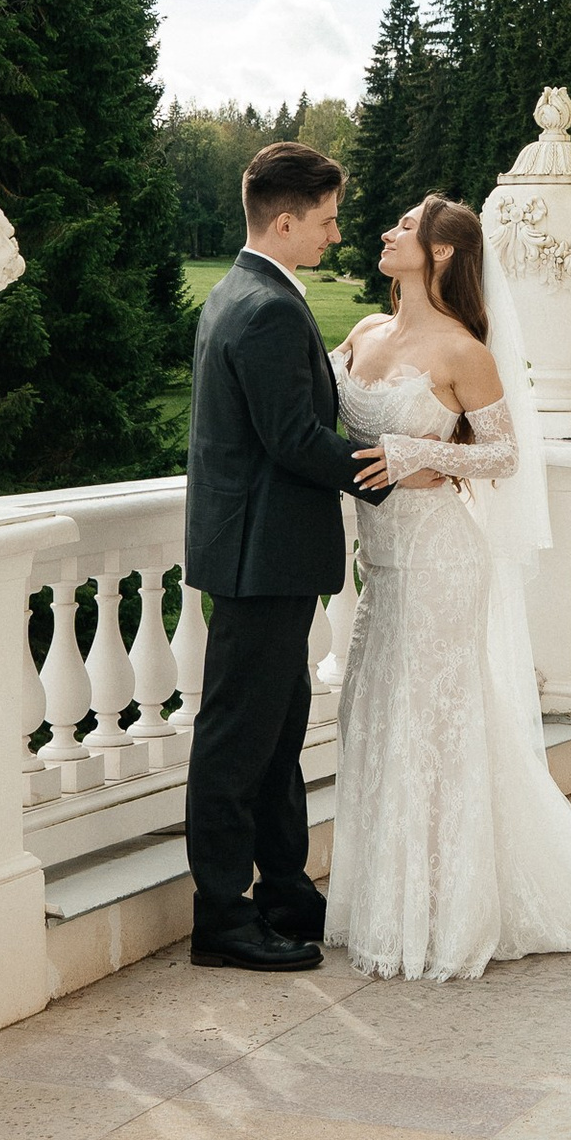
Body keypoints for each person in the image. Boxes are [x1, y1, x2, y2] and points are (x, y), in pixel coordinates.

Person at [328, 193, 571, 982]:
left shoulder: (462, 351)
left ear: (442, 253)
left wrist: (423, 453)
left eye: (406, 227)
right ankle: (386, 901)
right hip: (379, 562)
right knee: (377, 714)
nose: (388, 232)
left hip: (443, 558)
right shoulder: (365, 332)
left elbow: (506, 456)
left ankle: (448, 909)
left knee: (435, 724)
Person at [181, 139, 390, 972]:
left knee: (276, 729)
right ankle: (221, 914)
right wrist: (389, 472)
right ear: (285, 219)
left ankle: (285, 889)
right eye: (328, 221)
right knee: (238, 738)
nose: (334, 237)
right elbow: (293, 438)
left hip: (261, 554)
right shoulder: (265, 306)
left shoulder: (244, 291)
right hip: (258, 558)